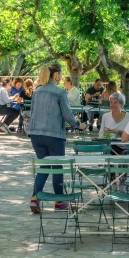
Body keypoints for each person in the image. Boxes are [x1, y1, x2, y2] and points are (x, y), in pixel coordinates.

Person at [28, 63, 86, 214]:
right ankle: (59, 201)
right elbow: (68, 115)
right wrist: (79, 124)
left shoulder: (37, 91)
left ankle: (35, 198)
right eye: (60, 74)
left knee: (45, 166)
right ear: (56, 75)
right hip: (54, 135)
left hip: (35, 134)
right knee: (57, 167)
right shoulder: (60, 92)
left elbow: (32, 112)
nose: (60, 78)